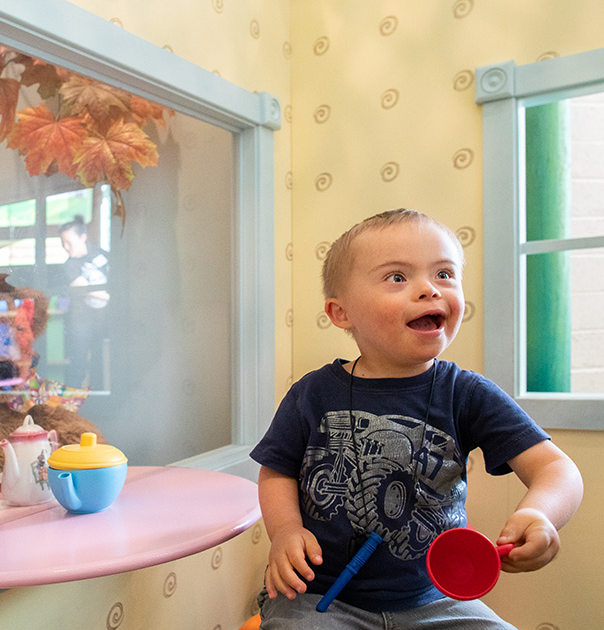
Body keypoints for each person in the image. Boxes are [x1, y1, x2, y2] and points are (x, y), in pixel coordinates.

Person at [250, 209, 583, 628]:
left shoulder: (467, 393)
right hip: (318, 595)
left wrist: (540, 514)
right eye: (397, 278)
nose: (429, 289)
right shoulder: (312, 392)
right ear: (341, 313)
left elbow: (556, 468)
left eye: (444, 274)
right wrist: (285, 531)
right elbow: (276, 470)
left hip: (435, 599)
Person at [59, 215, 110, 389]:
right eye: (62, 243)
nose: (66, 247)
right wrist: (112, 296)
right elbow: (88, 290)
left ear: (83, 237)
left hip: (104, 320)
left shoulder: (103, 255)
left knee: (102, 363)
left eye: (69, 242)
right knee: (78, 364)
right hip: (80, 322)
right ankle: (71, 404)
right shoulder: (69, 266)